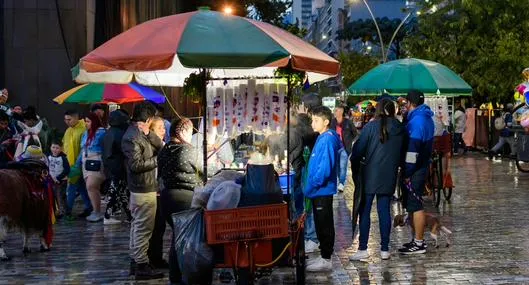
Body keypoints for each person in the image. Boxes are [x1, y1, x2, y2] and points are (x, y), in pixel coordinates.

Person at [348, 99, 405, 261]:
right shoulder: (399, 128)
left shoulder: (370, 127)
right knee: (384, 210)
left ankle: (363, 248)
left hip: (369, 174)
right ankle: (385, 249)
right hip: (389, 174)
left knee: (364, 211)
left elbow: (358, 150)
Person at [158, 117, 204, 284]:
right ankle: (189, 275)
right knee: (186, 238)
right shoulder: (189, 151)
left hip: (166, 198)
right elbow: (203, 170)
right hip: (185, 198)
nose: (191, 137)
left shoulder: (164, 150)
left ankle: (175, 277)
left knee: (177, 237)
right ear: (183, 132)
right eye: (190, 133)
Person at [122, 102, 164, 280]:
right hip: (142, 189)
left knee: (139, 226)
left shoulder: (140, 133)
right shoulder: (132, 137)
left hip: (144, 187)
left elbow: (160, 146)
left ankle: (136, 261)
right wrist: (157, 160)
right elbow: (135, 165)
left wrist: (149, 134)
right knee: (143, 228)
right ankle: (141, 265)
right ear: (148, 119)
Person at [303, 106, 341, 271]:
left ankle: (326, 258)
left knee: (324, 224)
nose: (313, 123)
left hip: (322, 190)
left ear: (326, 122)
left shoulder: (327, 139)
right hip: (318, 189)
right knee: (320, 223)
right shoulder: (323, 136)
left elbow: (324, 168)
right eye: (312, 120)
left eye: (316, 120)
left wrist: (314, 183)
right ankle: (324, 255)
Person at [399, 90, 434, 255]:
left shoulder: (417, 121)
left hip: (416, 168)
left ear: (409, 103)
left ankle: (419, 242)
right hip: (421, 165)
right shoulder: (424, 117)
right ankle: (416, 240)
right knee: (413, 204)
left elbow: (413, 150)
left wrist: (407, 170)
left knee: (416, 204)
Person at [76, 113, 106, 222]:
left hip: (96, 160)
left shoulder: (101, 133)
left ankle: (97, 211)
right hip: (85, 162)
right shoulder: (86, 133)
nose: (86, 124)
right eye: (85, 121)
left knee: (91, 186)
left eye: (88, 121)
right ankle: (95, 210)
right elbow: (82, 149)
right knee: (90, 188)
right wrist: (77, 164)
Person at [147, 116, 169, 269]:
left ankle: (157, 257)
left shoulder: (162, 145)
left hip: (160, 190)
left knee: (160, 227)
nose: (163, 130)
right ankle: (150, 258)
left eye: (163, 127)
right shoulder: (151, 147)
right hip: (151, 190)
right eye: (159, 127)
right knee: (152, 227)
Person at [102, 109, 131, 225]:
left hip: (110, 165)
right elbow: (124, 150)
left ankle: (110, 215)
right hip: (119, 166)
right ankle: (109, 215)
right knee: (119, 190)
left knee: (117, 190)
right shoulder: (120, 133)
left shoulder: (109, 132)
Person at [63, 110, 92, 219]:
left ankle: (68, 210)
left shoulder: (83, 129)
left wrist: (77, 165)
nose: (67, 121)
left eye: (69, 119)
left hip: (78, 165)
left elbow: (83, 149)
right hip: (69, 165)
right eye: (65, 119)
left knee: (71, 188)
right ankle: (89, 207)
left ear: (76, 118)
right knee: (81, 188)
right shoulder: (68, 131)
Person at [331, 105, 358, 191]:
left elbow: (355, 133)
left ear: (341, 112)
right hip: (335, 148)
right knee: (338, 166)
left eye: (336, 110)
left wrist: (350, 143)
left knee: (343, 166)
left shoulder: (348, 122)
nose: (335, 112)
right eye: (335, 111)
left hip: (344, 148)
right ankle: (340, 182)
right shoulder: (332, 122)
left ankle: (341, 183)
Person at [48, 141, 70, 219]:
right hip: (51, 180)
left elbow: (67, 170)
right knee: (53, 196)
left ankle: (64, 212)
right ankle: (56, 211)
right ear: (50, 147)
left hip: (61, 181)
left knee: (60, 196)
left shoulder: (63, 158)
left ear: (61, 149)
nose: (55, 149)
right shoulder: (49, 157)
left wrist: (58, 178)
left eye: (57, 148)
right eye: (53, 147)